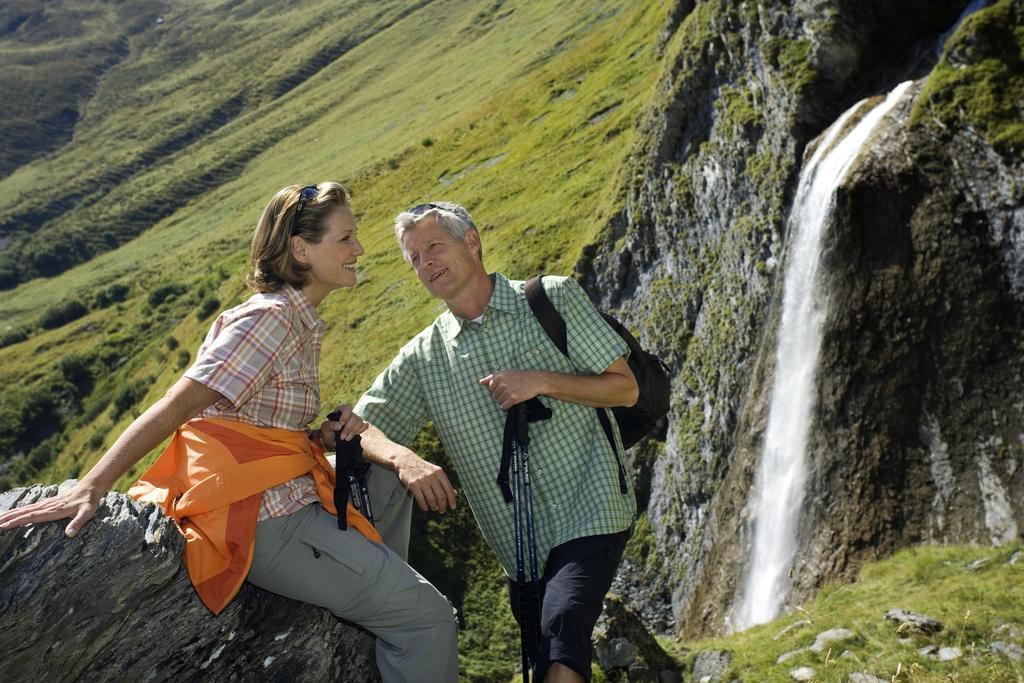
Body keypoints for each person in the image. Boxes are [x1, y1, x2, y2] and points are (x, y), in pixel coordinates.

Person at [0, 183, 458, 683]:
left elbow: (244, 420)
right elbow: (179, 404)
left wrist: (319, 434)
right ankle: (396, 614)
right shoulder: (271, 320)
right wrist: (91, 486)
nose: (359, 250)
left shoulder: (295, 320)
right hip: (263, 517)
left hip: (282, 493)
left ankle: (375, 601)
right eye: (345, 238)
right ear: (301, 250)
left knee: (388, 478)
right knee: (429, 620)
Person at [346, 202, 638, 683]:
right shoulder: (423, 358)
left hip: (593, 508)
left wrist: (539, 381)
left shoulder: (552, 299)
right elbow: (358, 426)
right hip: (518, 551)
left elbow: (623, 388)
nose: (427, 263)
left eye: (434, 246)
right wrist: (404, 459)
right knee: (547, 661)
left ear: (472, 242)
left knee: (563, 635)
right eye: (415, 258)